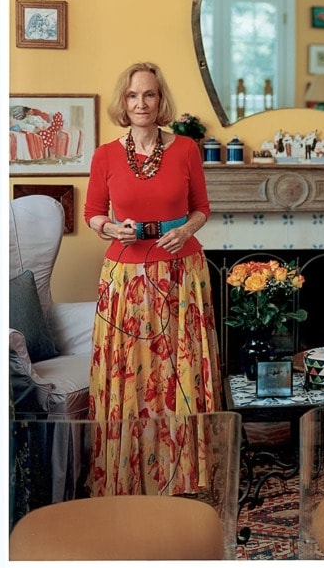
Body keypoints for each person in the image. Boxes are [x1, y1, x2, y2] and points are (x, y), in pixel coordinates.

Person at [84, 61, 221, 495]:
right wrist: (111, 228)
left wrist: (186, 230)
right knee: (134, 375)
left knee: (178, 373)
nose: (140, 103)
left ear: (161, 100)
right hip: (125, 277)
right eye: (132, 95)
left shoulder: (186, 149)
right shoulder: (105, 154)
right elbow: (92, 213)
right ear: (122, 102)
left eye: (149, 94)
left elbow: (202, 207)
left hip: (181, 272)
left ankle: (185, 476)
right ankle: (127, 478)